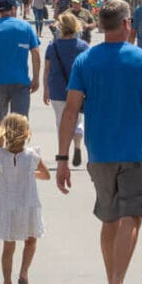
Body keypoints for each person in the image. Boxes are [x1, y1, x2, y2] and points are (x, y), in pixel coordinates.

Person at [55, 0, 142, 284]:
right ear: (125, 24)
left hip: (100, 152)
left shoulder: (85, 61)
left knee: (109, 219)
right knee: (131, 217)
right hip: (135, 150)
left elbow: (69, 111)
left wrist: (63, 158)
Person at [0, 113, 49, 284]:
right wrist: (30, 173)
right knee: (31, 240)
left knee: (8, 246)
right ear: (27, 133)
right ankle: (24, 273)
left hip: (7, 205)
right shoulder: (32, 155)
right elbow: (46, 175)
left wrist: (0, 168)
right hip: (28, 203)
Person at [0, 0, 41, 123]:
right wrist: (36, 78)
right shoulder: (25, 27)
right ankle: (16, 143)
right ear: (13, 9)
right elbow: (35, 52)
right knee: (19, 123)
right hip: (21, 81)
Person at [42, 11, 89, 167]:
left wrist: (45, 89)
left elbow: (47, 70)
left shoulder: (52, 47)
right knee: (78, 121)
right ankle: (77, 146)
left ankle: (64, 153)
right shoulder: (83, 47)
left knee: (61, 122)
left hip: (57, 88)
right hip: (78, 89)